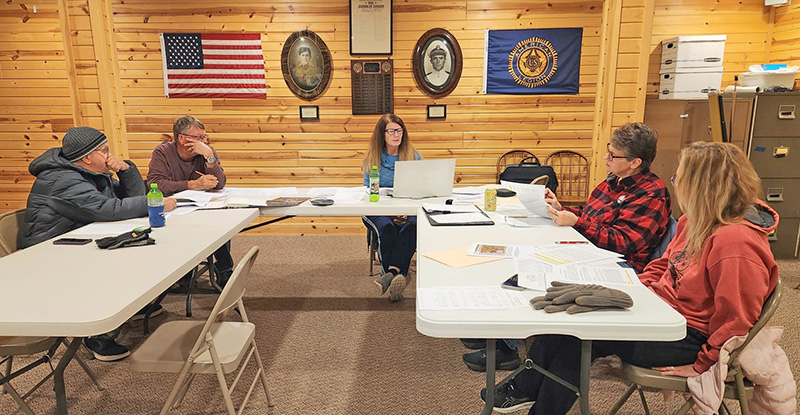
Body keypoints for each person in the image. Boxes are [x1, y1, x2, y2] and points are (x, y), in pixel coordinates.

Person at [480, 141, 779, 415]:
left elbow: (736, 320)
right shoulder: (695, 221)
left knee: (580, 337)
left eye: (680, 178)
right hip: (660, 312)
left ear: (703, 187)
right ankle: (528, 389)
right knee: (566, 320)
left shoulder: (736, 242)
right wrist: (636, 290)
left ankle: (534, 399)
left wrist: (702, 365)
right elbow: (663, 265)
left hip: (687, 336)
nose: (676, 185)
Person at [462, 122, 673, 372]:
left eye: (613, 155)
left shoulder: (651, 194)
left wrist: (578, 221)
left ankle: (507, 348)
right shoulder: (612, 182)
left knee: (538, 269)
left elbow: (625, 242)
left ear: (635, 162)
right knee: (523, 257)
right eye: (608, 150)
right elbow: (592, 217)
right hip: (592, 251)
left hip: (620, 265)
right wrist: (563, 209)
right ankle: (502, 334)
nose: (606, 158)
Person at [21, 126, 177, 361]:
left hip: (76, 240)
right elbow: (109, 209)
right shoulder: (62, 179)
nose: (109, 156)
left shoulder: (86, 174)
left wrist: (125, 170)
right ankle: (97, 336)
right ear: (86, 157)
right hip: (48, 253)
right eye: (104, 151)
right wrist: (154, 204)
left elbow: (127, 198)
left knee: (136, 249)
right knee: (113, 264)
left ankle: (129, 309)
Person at [148, 115, 234, 282]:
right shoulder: (163, 152)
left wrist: (209, 158)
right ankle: (183, 271)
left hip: (203, 205)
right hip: (173, 206)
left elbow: (220, 184)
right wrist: (192, 184)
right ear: (182, 138)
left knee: (221, 222)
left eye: (204, 136)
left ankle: (224, 269)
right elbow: (156, 184)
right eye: (199, 137)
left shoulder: (206, 151)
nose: (204, 141)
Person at [362, 114, 421, 301]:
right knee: (387, 228)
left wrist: (404, 210)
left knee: (412, 226)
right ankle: (398, 274)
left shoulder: (413, 156)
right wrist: (390, 211)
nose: (396, 135)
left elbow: (421, 188)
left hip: (408, 208)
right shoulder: (373, 158)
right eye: (391, 131)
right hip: (378, 209)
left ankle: (389, 274)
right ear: (382, 134)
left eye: (399, 130)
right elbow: (367, 192)